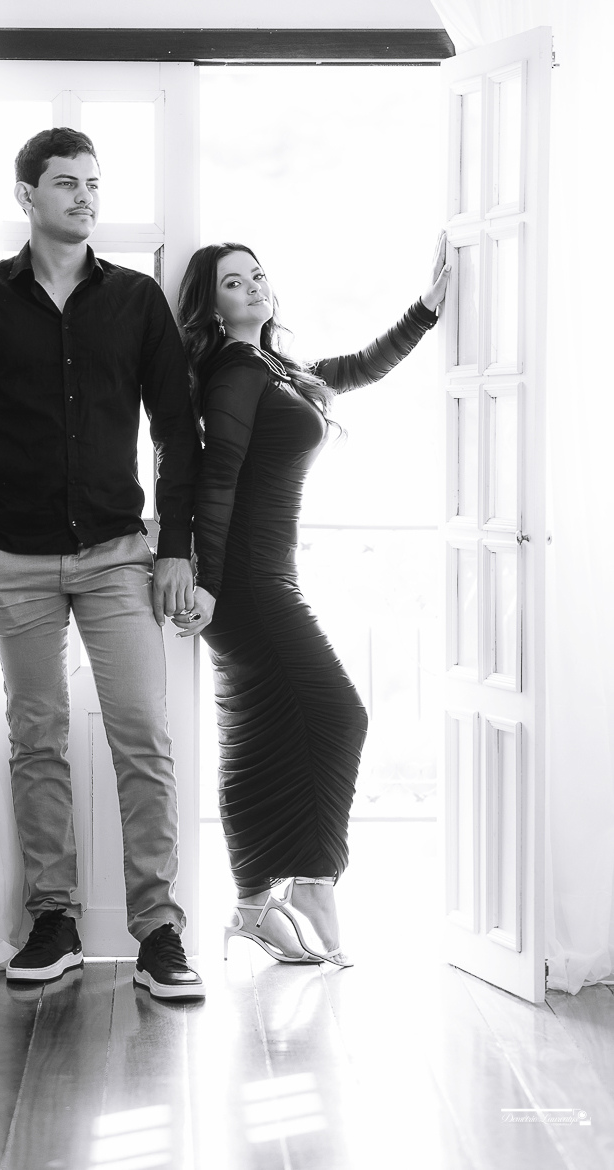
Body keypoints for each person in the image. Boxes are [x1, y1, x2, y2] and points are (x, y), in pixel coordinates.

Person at [0, 127, 205, 999]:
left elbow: (176, 429)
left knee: (143, 737)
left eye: (93, 183)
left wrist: (176, 548)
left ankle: (159, 934)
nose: (85, 197)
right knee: (36, 739)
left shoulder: (136, 301)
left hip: (119, 555)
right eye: (65, 182)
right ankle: (54, 920)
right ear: (26, 196)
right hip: (10, 555)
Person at [174, 238, 449, 966]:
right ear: (212, 304)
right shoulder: (235, 374)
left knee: (259, 735)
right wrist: (208, 584)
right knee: (339, 714)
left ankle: (252, 907)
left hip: (266, 576)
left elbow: (355, 369)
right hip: (246, 583)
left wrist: (424, 313)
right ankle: (313, 882)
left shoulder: (273, 367)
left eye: (257, 275)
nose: (253, 287)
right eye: (234, 282)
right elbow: (217, 480)